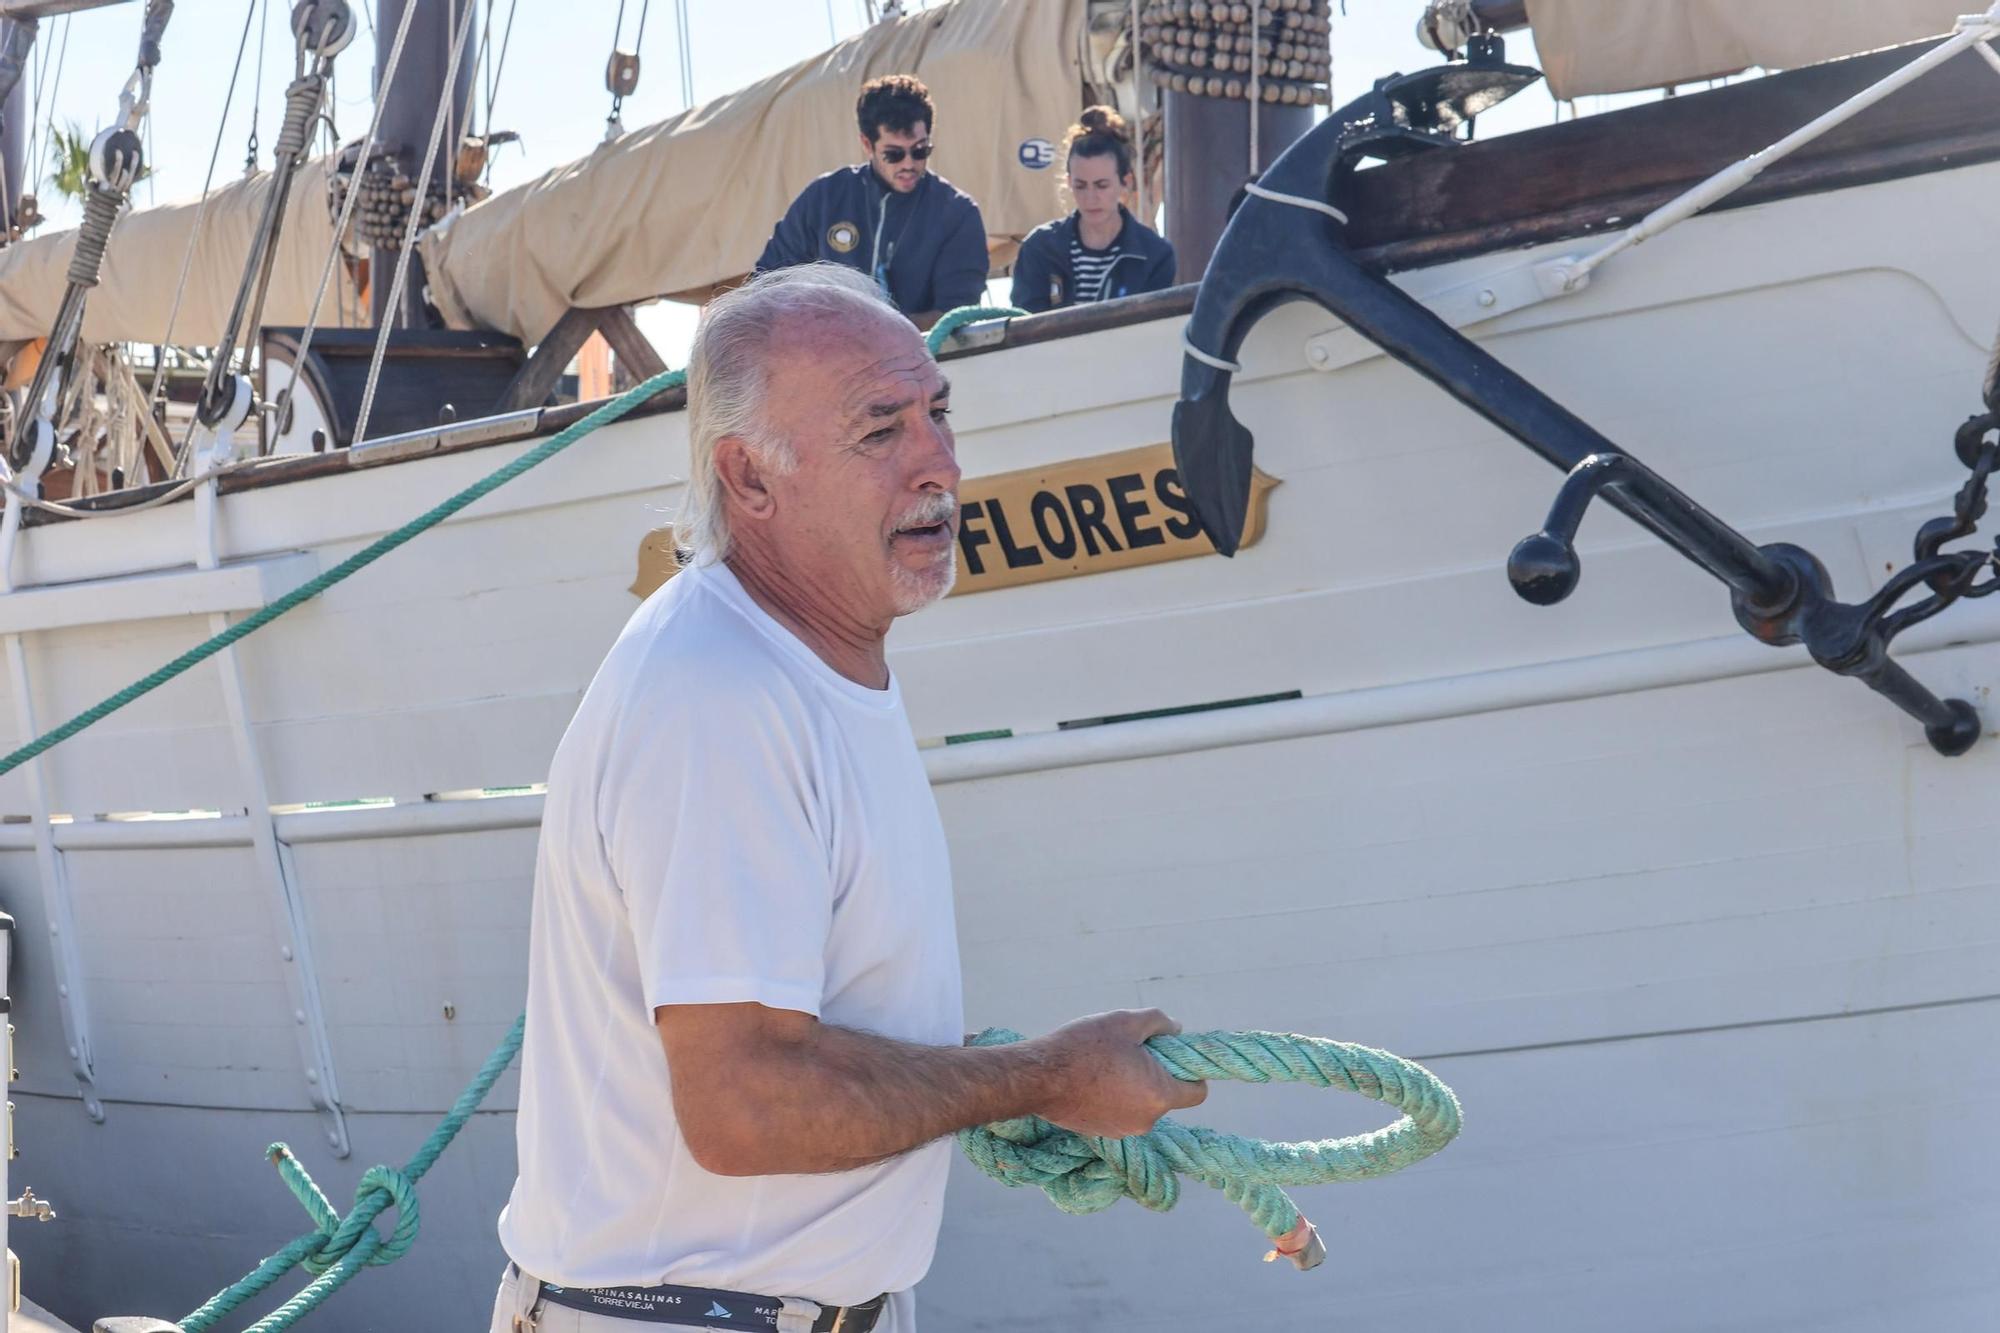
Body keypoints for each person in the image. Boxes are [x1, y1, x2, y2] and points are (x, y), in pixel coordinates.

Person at [490, 264, 1205, 1333]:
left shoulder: (803, 666)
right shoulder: (718, 696)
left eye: (937, 412)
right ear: (750, 479)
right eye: (880, 430)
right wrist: (1043, 1076)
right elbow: (743, 1104)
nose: (940, 463)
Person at [755, 75, 990, 326]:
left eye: (920, 150)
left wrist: (873, 334)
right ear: (867, 144)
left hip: (921, 359)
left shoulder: (957, 212)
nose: (909, 164)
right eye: (894, 154)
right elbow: (767, 287)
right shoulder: (823, 199)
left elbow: (956, 316)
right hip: (826, 357)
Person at [1010, 107, 1176, 314]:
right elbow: (1024, 325)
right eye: (1080, 186)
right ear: (1069, 183)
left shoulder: (1156, 255)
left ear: (1126, 182)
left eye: (1101, 185)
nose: (1091, 197)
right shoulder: (1039, 248)